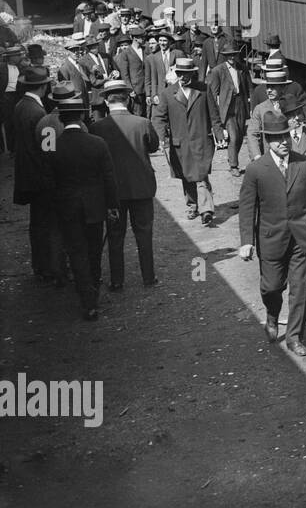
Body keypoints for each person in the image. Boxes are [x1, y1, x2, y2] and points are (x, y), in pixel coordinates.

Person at [239, 111, 306, 356]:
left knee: (299, 289)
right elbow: (247, 208)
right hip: (270, 239)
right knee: (271, 288)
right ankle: (271, 315)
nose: (283, 142)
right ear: (267, 140)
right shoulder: (256, 170)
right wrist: (246, 242)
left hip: (301, 238)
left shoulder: (304, 163)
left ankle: (294, 338)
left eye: (286, 137)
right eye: (277, 138)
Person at [47, 93, 119, 321]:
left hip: (68, 208)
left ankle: (87, 300)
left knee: (76, 252)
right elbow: (109, 178)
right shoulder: (97, 144)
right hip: (95, 206)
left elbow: (50, 182)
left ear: (61, 119)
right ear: (82, 116)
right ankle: (93, 295)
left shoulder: (54, 148)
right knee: (94, 251)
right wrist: (113, 206)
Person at [90, 79, 159, 289]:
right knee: (144, 234)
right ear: (128, 99)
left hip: (113, 192)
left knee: (115, 237)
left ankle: (117, 280)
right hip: (142, 187)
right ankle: (148, 277)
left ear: (106, 101)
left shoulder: (97, 128)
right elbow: (153, 146)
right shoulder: (142, 123)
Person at [12, 66, 61, 282]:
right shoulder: (39, 113)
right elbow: (47, 150)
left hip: (27, 173)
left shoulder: (21, 105)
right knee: (47, 223)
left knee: (37, 223)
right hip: (41, 176)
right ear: (43, 87)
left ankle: (40, 265)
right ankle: (48, 266)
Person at [161, 57, 220, 225]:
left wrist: (219, 134)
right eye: (180, 73)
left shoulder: (203, 90)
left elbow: (213, 114)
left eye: (186, 74)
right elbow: (159, 117)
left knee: (201, 175)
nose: (182, 77)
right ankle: (193, 205)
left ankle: (206, 210)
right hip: (180, 143)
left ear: (192, 74)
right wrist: (161, 136)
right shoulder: (168, 94)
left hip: (202, 140)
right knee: (187, 176)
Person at [207, 41, 248, 177]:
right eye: (229, 55)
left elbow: (249, 88)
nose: (232, 57)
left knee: (241, 135)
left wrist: (251, 106)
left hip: (240, 104)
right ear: (225, 56)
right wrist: (216, 111)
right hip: (227, 107)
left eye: (234, 55)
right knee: (234, 136)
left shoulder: (242, 68)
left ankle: (232, 156)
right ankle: (233, 165)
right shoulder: (218, 70)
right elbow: (212, 93)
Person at [246, 67, 292, 162]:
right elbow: (252, 134)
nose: (269, 90)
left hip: (291, 156)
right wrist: (257, 156)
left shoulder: (291, 106)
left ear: (282, 88)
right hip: (269, 158)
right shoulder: (260, 109)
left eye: (273, 87)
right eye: (267, 87)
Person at [145, 30, 179, 157]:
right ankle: (161, 142)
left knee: (174, 116)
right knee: (158, 118)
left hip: (174, 91)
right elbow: (149, 78)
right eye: (161, 41)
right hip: (159, 92)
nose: (163, 43)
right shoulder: (153, 58)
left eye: (165, 41)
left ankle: (175, 140)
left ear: (169, 42)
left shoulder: (177, 54)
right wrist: (151, 94)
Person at [113, 25, 148, 116]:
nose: (144, 39)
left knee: (147, 114)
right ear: (135, 38)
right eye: (142, 37)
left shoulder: (145, 50)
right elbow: (125, 74)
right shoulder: (126, 53)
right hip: (135, 90)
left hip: (146, 88)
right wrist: (130, 89)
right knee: (138, 113)